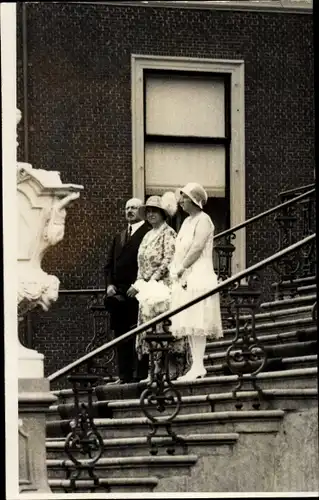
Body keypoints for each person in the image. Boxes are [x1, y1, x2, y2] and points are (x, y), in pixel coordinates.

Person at [128, 192, 188, 383]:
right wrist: (139, 284)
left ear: (163, 214)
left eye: (156, 211)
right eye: (149, 211)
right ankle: (153, 371)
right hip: (148, 290)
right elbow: (140, 263)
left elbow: (168, 260)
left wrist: (151, 282)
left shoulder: (168, 233)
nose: (152, 215)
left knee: (164, 328)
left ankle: (170, 369)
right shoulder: (146, 236)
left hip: (163, 288)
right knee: (149, 330)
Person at [170, 182, 223, 382]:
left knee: (198, 320)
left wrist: (182, 267)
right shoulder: (186, 222)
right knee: (190, 321)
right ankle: (196, 365)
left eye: (184, 197)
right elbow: (181, 248)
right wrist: (176, 270)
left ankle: (199, 365)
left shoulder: (204, 220)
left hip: (199, 274)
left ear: (193, 200)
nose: (180, 201)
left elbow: (197, 247)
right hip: (186, 276)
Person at [104, 197, 150, 383]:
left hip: (137, 292)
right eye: (127, 208)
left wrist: (139, 285)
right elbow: (108, 265)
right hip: (118, 294)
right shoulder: (119, 236)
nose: (129, 211)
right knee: (120, 334)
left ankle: (139, 374)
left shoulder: (148, 233)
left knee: (138, 333)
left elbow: (149, 263)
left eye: (134, 208)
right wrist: (109, 284)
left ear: (141, 211)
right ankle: (124, 375)